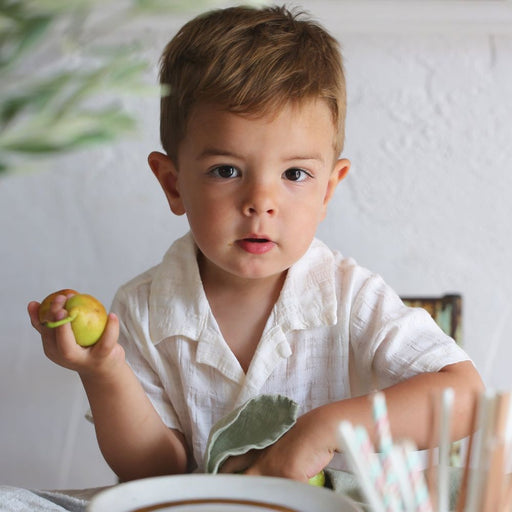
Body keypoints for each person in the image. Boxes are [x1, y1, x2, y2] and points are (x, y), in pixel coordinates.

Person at [28, 4, 483, 483]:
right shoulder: (141, 309)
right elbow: (159, 471)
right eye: (227, 171)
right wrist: (104, 372)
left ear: (328, 188)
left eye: (294, 174)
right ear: (173, 184)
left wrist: (322, 430)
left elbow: (466, 396)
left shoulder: (351, 298)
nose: (261, 202)